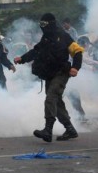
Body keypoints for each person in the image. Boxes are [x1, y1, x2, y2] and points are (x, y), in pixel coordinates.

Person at [14, 13, 84, 142]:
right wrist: (22, 59)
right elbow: (36, 51)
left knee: (51, 98)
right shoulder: (45, 38)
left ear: (51, 23)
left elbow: (78, 50)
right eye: (41, 24)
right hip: (49, 74)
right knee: (57, 103)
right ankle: (70, 129)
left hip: (61, 73)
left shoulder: (63, 36)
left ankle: (48, 130)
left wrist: (76, 67)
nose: (42, 27)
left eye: (44, 24)